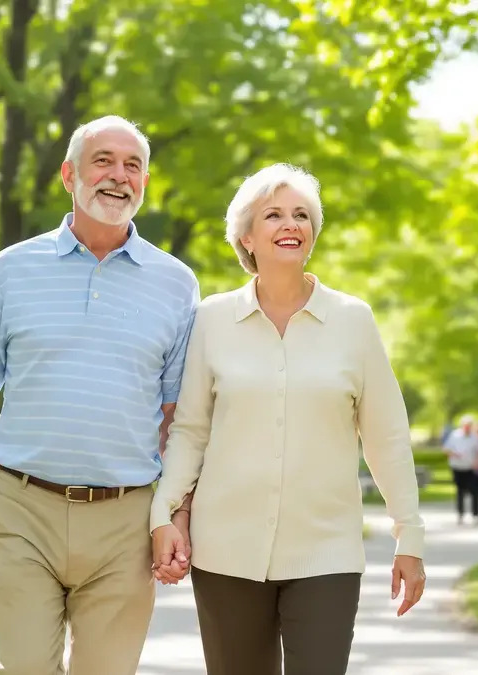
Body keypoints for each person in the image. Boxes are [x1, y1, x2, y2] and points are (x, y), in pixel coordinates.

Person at [0, 115, 200, 675]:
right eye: (103, 161)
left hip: (126, 519)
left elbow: (178, 420)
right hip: (22, 509)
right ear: (69, 176)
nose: (119, 175)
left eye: (133, 165)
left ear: (144, 182)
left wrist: (174, 516)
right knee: (26, 667)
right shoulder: (11, 270)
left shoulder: (177, 284)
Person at [149, 163, 426, 675]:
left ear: (313, 234)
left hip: (327, 553)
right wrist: (164, 513)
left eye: (301, 215)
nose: (290, 224)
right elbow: (190, 431)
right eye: (273, 215)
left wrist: (409, 536)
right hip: (225, 553)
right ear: (246, 237)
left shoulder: (353, 320)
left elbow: (387, 438)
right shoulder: (212, 319)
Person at [443, 414, 478, 525]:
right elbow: (446, 449)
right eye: (466, 425)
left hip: (470, 468)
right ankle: (460, 514)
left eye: (469, 425)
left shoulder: (474, 437)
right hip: (457, 467)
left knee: (474, 491)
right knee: (460, 491)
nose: (468, 427)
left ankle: (476, 514)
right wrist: (454, 454)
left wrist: (477, 462)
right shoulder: (455, 435)